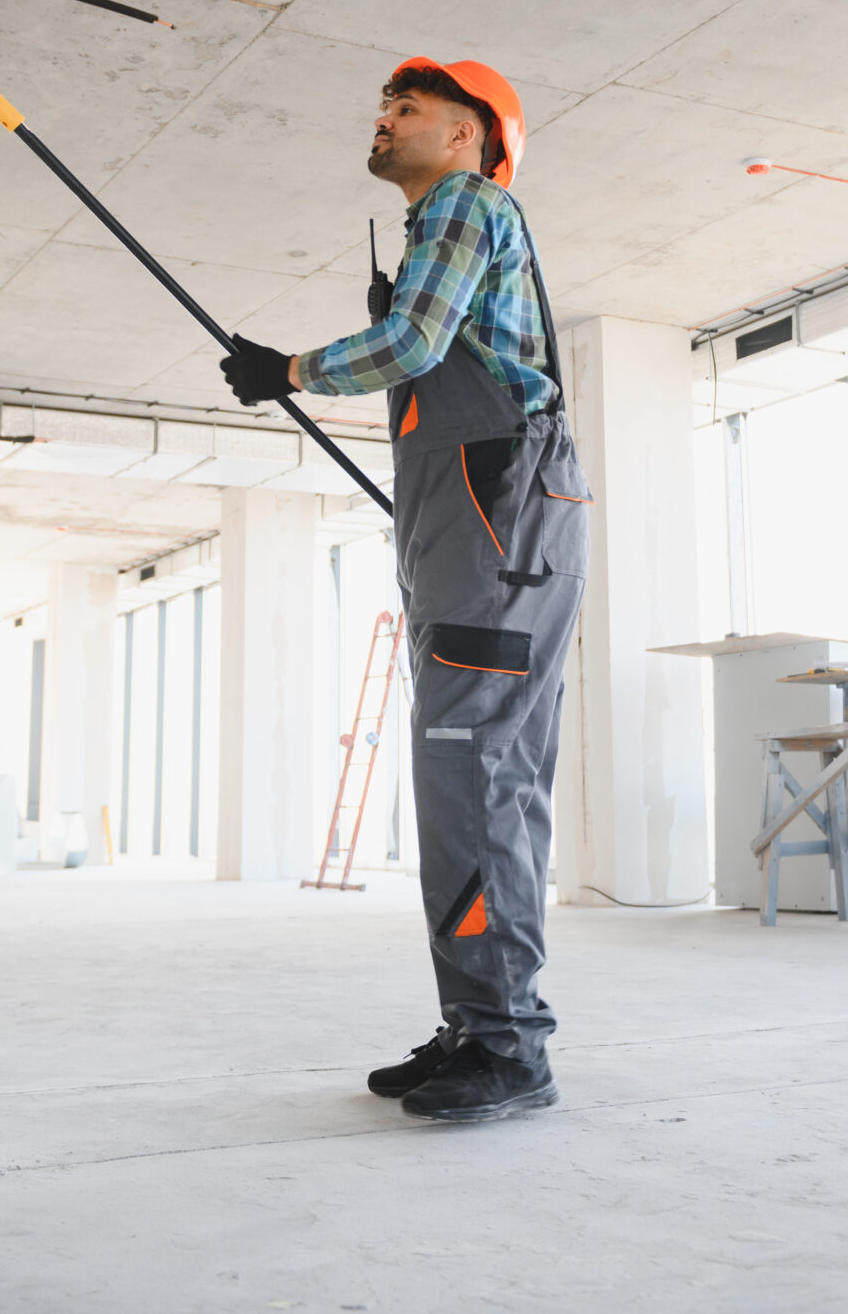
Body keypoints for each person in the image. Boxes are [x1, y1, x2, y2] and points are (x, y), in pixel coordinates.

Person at [218, 57, 587, 1124]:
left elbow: (413, 341)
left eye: (409, 107)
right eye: (383, 104)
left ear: (470, 134)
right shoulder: (443, 224)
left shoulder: (467, 202)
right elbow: (434, 357)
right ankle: (478, 1023)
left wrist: (289, 369)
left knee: (476, 775)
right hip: (470, 529)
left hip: (494, 527)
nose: (384, 118)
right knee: (463, 777)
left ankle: (510, 1044)